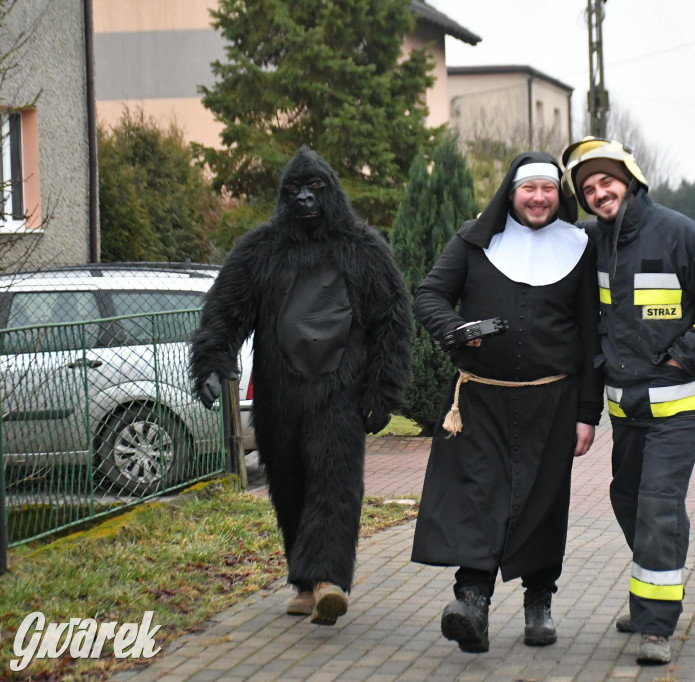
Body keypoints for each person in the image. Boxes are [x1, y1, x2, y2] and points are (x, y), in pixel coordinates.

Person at [190, 147, 412, 626]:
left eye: (315, 189)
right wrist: (211, 361)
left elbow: (392, 322)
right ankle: (305, 583)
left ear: (332, 192)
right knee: (289, 488)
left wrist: (381, 392)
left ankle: (329, 580)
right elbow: (225, 310)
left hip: (340, 395)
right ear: (282, 197)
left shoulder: (364, 248)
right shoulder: (260, 250)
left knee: (334, 486)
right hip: (279, 397)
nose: (306, 198)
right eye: (294, 190)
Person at [560, 137, 695, 665]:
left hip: (679, 404)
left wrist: (682, 358)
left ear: (631, 178)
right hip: (627, 410)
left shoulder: (679, 233)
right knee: (628, 502)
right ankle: (652, 590)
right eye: (589, 188)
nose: (599, 193)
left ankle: (656, 624)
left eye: (606, 181)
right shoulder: (589, 242)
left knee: (659, 507)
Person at [411, 151, 602, 654]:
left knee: (542, 502)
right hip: (481, 400)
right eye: (528, 189)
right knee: (479, 496)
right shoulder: (475, 240)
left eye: (547, 189)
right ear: (511, 193)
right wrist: (454, 331)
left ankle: (538, 601)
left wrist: (588, 413)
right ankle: (471, 603)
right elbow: (430, 295)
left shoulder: (581, 248)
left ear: (559, 195)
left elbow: (590, 336)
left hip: (554, 402)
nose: (538, 199)